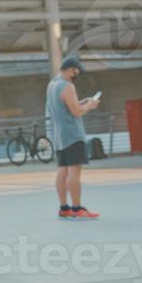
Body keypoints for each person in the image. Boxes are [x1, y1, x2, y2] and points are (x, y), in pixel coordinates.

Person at [48, 55, 101, 219]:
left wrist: (83, 101)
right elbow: (76, 112)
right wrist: (90, 106)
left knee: (62, 171)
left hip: (60, 136)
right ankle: (77, 209)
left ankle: (64, 207)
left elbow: (66, 105)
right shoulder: (68, 86)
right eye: (76, 72)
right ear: (71, 70)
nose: (76, 75)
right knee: (74, 173)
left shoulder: (52, 84)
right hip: (73, 135)